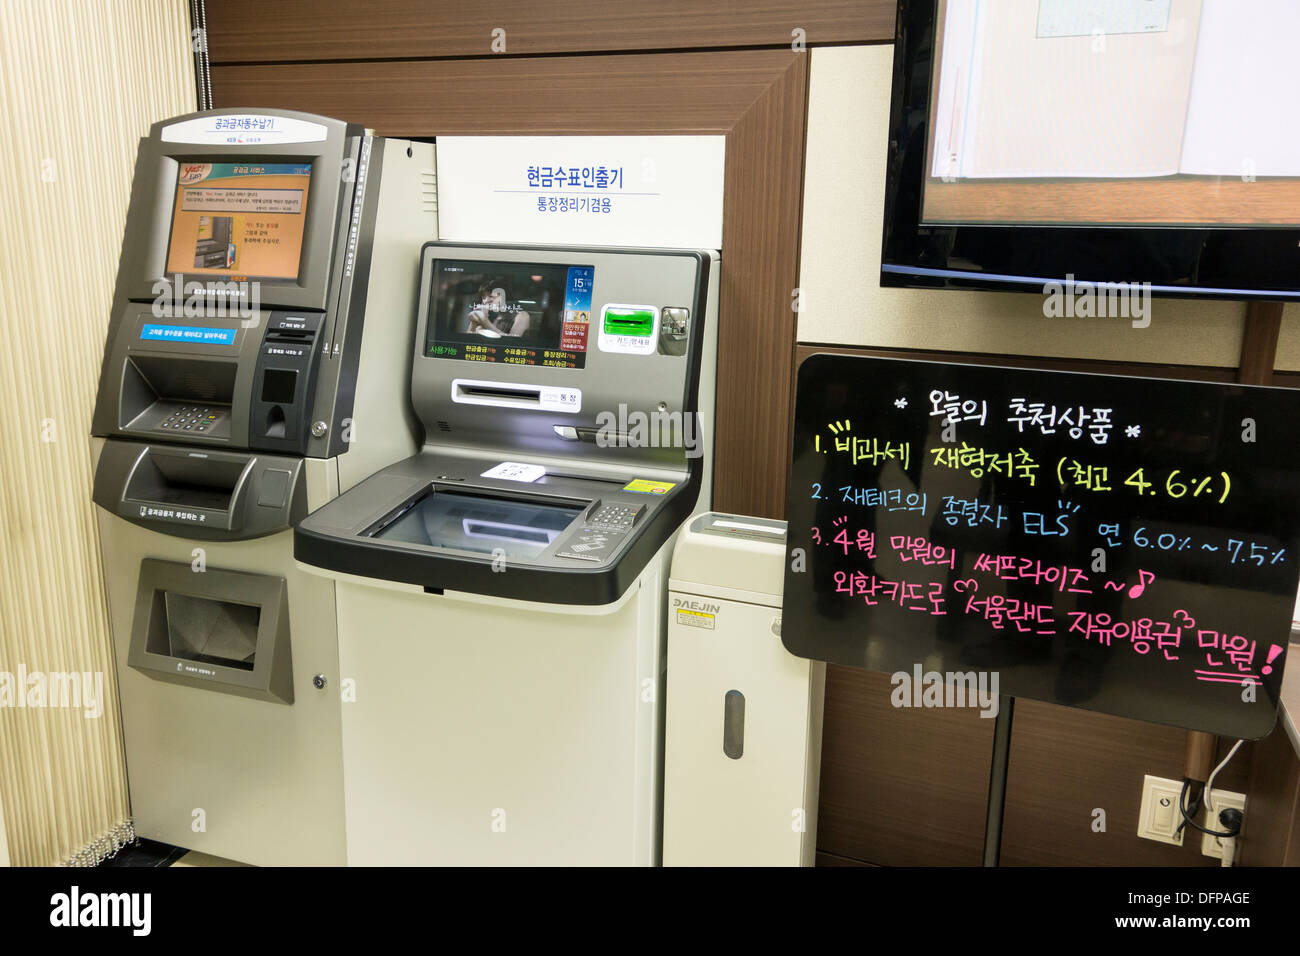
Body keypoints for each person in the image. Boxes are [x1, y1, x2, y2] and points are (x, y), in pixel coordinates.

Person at [465, 279, 531, 337]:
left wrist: (485, 322)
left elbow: (513, 342)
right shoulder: (492, 317)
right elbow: (468, 340)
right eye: (484, 297)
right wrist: (473, 322)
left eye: (491, 296)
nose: (486, 301)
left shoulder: (522, 315)